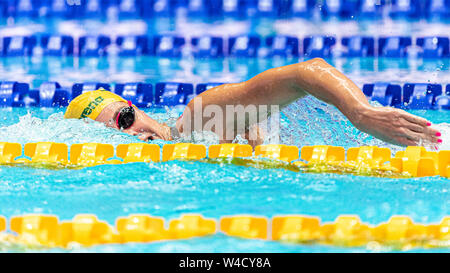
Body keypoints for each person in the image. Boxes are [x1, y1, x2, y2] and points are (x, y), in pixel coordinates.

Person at [64, 58, 442, 147]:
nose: (131, 132)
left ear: (137, 107)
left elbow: (306, 72)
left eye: (126, 117)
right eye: (114, 133)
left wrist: (362, 113)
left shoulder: (197, 120)